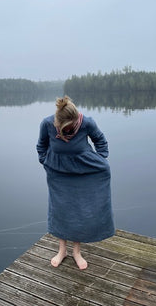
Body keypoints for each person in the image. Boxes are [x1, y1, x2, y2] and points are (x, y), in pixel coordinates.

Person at [36, 96, 115, 270]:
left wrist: (98, 159)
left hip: (83, 172)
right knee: (61, 209)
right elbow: (41, 145)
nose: (68, 128)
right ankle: (62, 250)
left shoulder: (87, 123)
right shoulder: (47, 123)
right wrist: (46, 161)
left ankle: (76, 252)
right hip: (58, 173)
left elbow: (101, 142)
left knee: (79, 210)